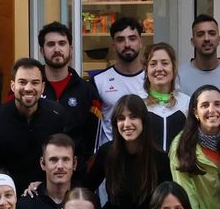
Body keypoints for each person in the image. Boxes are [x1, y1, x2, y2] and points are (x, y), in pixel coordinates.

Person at [85, 94, 169, 209]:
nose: (127, 124)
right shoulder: (107, 153)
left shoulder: (160, 158)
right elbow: (86, 187)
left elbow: (166, 201)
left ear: (143, 120)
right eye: (121, 118)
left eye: (133, 117)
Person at [0, 59, 68, 189]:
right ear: (12, 86)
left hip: (48, 192)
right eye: (22, 82)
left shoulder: (57, 115)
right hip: (8, 197)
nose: (28, 88)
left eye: (35, 83)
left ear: (42, 87)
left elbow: (66, 158)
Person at [38, 22, 100, 158]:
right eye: (50, 44)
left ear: (70, 49)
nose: (57, 49)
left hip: (75, 172)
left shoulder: (87, 91)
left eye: (62, 43)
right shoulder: (31, 88)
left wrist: (83, 168)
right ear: (42, 51)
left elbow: (93, 137)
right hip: (36, 171)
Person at [90, 17, 149, 151]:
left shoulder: (153, 78)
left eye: (132, 38)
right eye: (120, 39)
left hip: (145, 155)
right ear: (113, 45)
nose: (127, 44)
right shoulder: (99, 81)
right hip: (110, 156)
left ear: (141, 42)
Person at [16, 134, 79, 209]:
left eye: (66, 159)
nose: (60, 166)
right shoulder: (26, 205)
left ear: (75, 163)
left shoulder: (86, 202)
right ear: (43, 163)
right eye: (53, 160)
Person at [141, 42, 191, 152]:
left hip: (178, 168)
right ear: (146, 70)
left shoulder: (187, 103)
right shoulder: (138, 104)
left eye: (165, 63)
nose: (159, 68)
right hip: (147, 168)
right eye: (153, 64)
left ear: (173, 68)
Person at [179, 14, 220, 92]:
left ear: (219, 40)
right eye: (200, 35)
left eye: (212, 33)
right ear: (193, 42)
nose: (206, 39)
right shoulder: (179, 75)